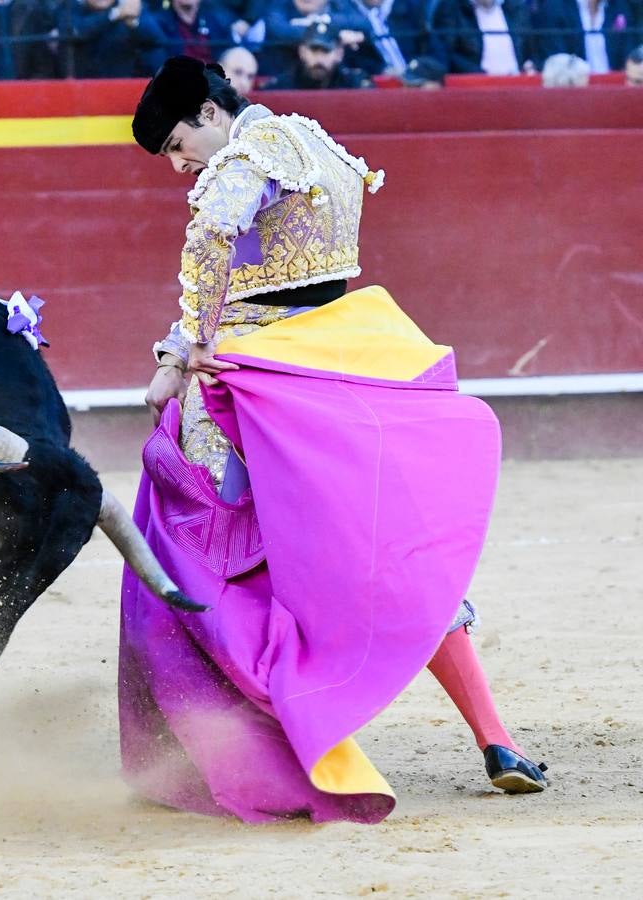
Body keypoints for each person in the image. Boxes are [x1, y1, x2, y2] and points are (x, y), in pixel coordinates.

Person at [121, 55, 548, 824]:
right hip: (340, 366)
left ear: (210, 114)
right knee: (388, 551)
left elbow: (213, 247)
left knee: (207, 555)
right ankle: (497, 740)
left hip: (253, 390)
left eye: (178, 146)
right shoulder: (315, 141)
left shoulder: (245, 159)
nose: (181, 168)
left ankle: (263, 749)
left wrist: (178, 357)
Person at [57, 0, 166, 78]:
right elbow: (75, 32)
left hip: (122, 87)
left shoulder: (130, 7)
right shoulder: (70, 7)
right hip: (82, 89)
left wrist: (133, 22)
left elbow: (157, 39)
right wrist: (115, 14)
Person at [532, 0, 641, 74]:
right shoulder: (555, 8)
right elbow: (557, 59)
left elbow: (630, 52)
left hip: (616, 86)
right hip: (574, 89)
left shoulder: (620, 6)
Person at [430, 0, 536, 75]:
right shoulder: (451, 8)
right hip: (475, 86)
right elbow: (446, 53)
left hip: (517, 82)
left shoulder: (516, 7)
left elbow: (531, 48)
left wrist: (530, 65)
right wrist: (481, 74)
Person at [266, 21, 373, 87]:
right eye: (314, 50)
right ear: (302, 52)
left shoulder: (354, 84)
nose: (319, 58)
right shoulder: (282, 86)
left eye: (326, 51)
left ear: (339, 54)